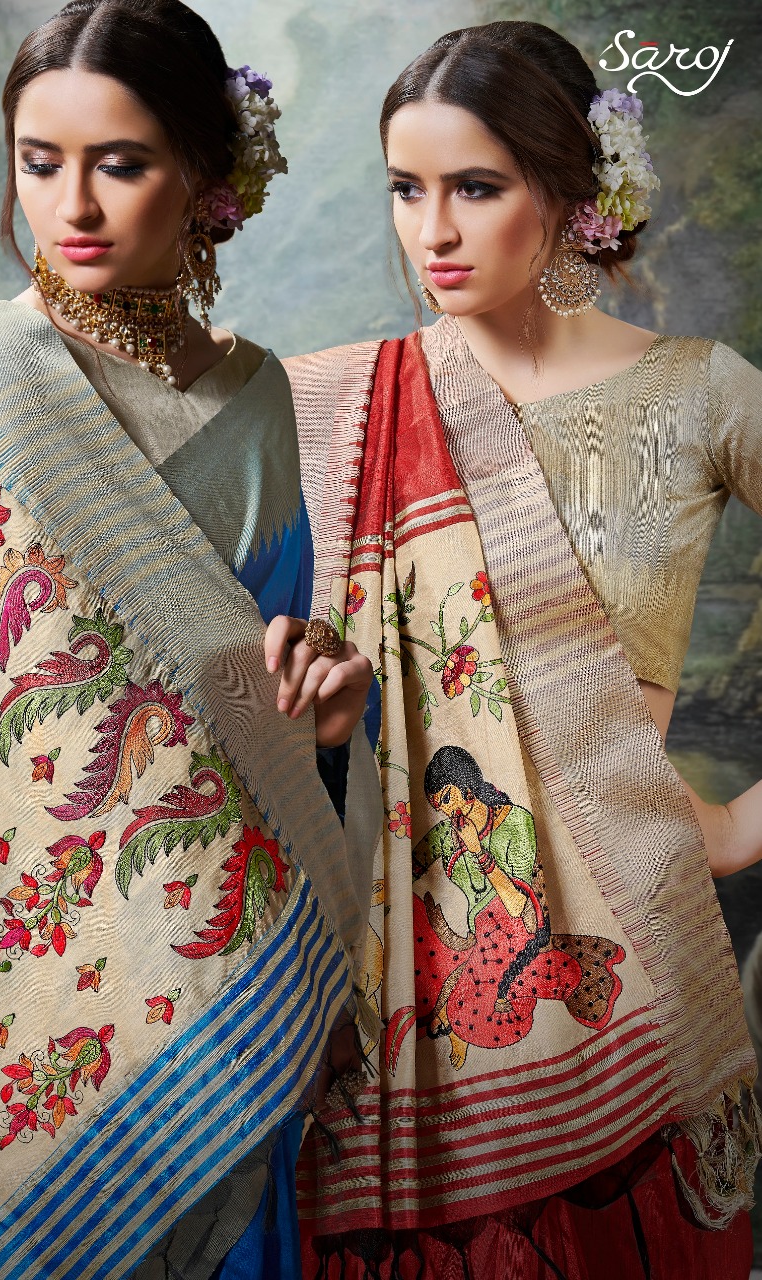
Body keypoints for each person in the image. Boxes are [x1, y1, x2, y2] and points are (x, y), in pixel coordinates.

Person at [285, 20, 762, 1279]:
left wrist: (734, 824)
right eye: (405, 188)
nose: (430, 231)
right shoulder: (342, 405)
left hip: (630, 957)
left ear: (568, 191)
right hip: (389, 975)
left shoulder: (699, 393)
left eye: (475, 188)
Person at [0, 3, 378, 1278]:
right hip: (2, 943)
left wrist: (329, 717)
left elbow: (259, 688)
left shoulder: (256, 396)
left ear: (203, 174)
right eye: (39, 162)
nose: (71, 205)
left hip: (217, 956)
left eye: (119, 164)